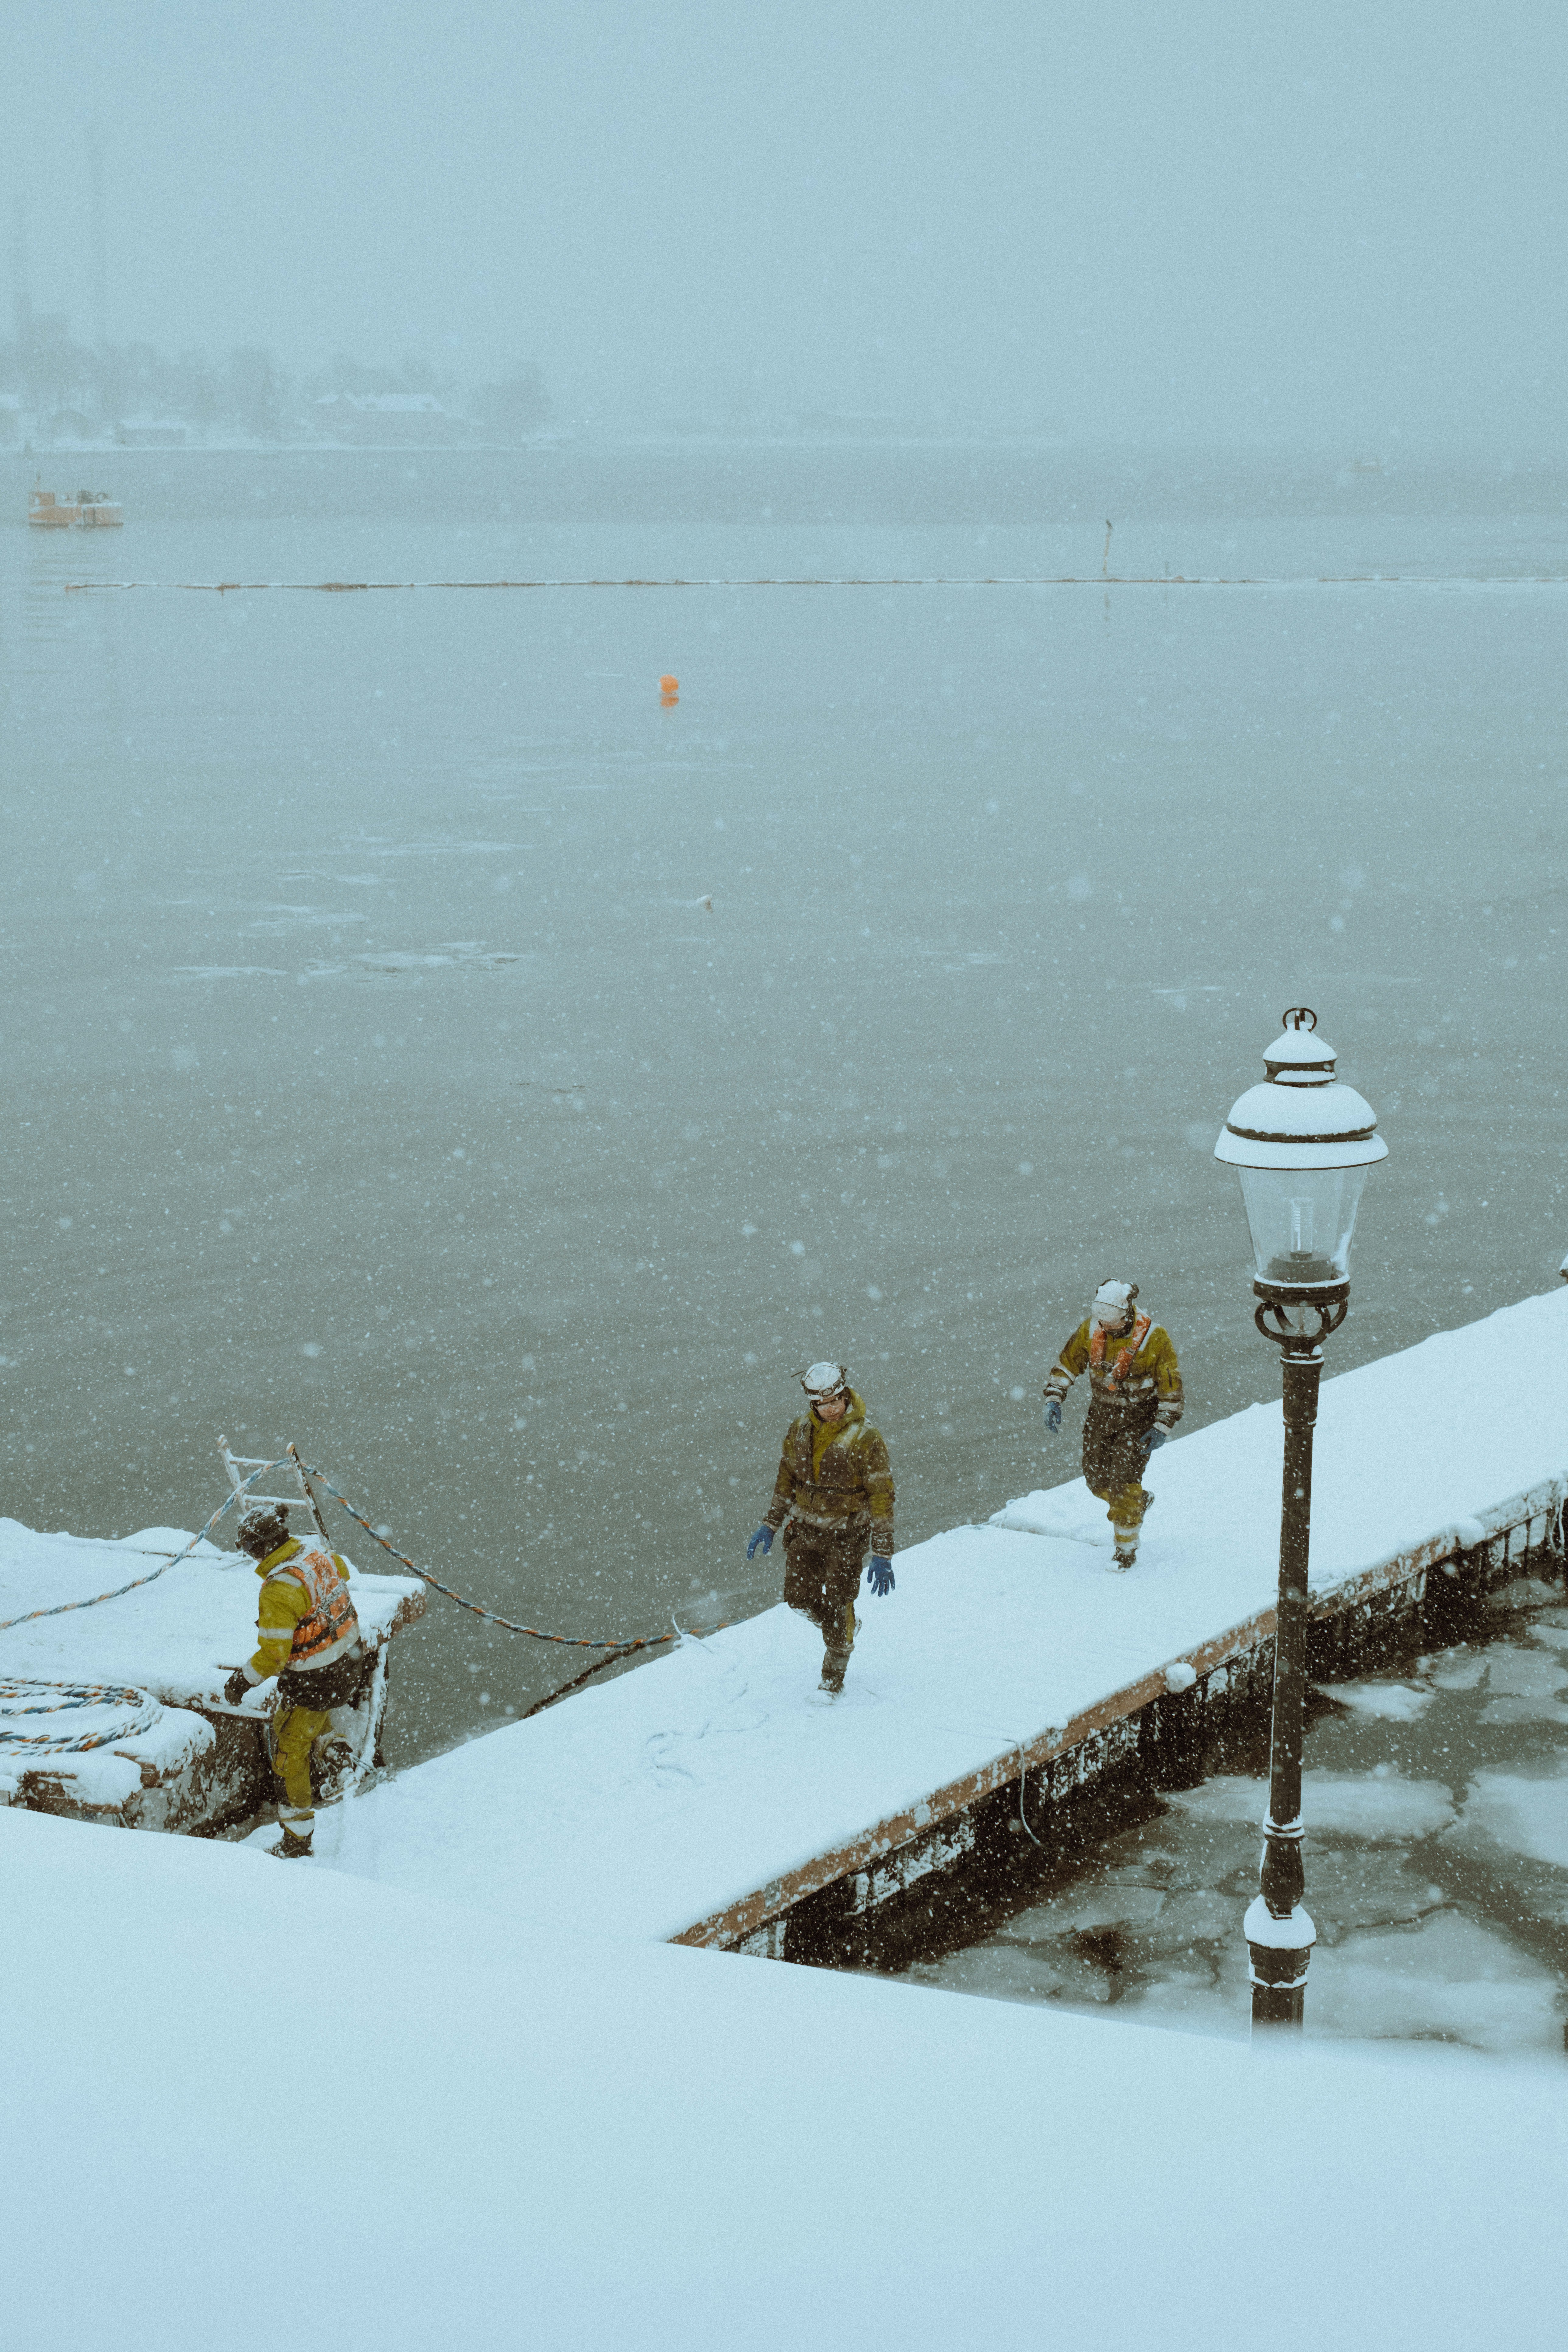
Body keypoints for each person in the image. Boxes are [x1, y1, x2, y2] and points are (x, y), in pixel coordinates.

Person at [223, 1503, 366, 1857]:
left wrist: (241, 1682)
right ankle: (333, 1749)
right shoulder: (318, 1555)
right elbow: (343, 1572)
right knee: (308, 1718)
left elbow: (274, 1656)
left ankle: (297, 1840)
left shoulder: (277, 1590)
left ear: (258, 1549)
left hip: (315, 1681)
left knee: (289, 1755)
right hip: (350, 1661)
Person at [747, 1362, 895, 1694]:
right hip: (805, 1530)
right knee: (797, 1599)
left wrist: (882, 1552)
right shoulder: (799, 1431)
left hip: (847, 1533)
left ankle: (833, 1677)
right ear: (813, 1404)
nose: (833, 1409)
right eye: (825, 1404)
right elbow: (786, 1481)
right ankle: (843, 1627)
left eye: (838, 1401)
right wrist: (770, 1525)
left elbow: (882, 1496)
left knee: (841, 1601)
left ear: (845, 1395)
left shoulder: (865, 1437)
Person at [1041, 1280, 1183, 1571]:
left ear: (1127, 1313)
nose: (1106, 1327)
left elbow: (1171, 1385)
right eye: (1102, 1321)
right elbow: (1069, 1363)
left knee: (1123, 1483)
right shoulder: (1091, 1330)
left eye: (1112, 1322)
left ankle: (1125, 1550)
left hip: (1139, 1418)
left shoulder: (1155, 1338)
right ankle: (1137, 1503)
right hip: (1102, 1414)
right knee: (1096, 1480)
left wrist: (1162, 1426)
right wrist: (1054, 1397)